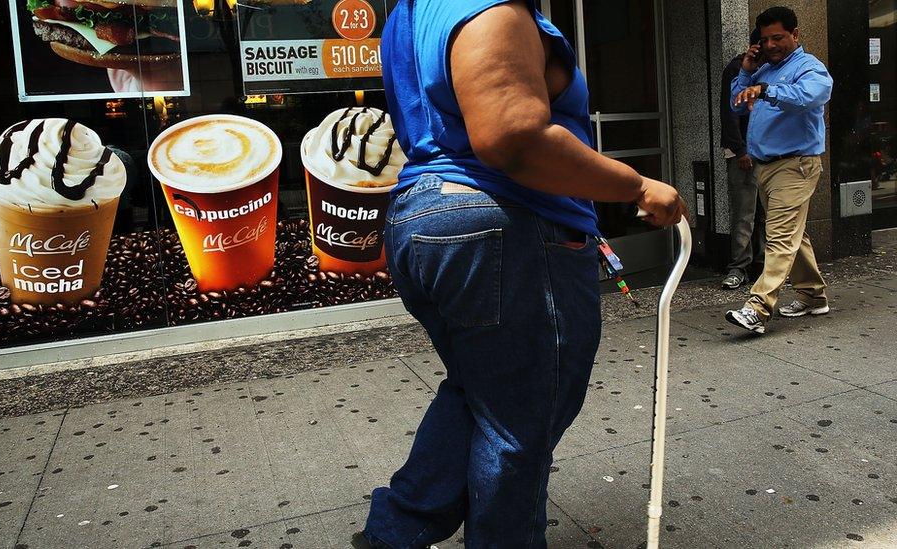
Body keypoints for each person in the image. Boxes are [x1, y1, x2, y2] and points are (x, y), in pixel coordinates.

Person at [354, 1, 686, 547]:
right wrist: (636, 186)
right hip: (505, 225)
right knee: (520, 417)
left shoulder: (414, 14)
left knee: (480, 390)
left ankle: (396, 530)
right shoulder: (487, 6)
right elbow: (513, 136)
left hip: (433, 218)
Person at [726, 6, 833, 335]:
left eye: (778, 38)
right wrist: (746, 74)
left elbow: (810, 96)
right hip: (767, 166)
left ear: (795, 35)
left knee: (779, 237)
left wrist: (766, 90)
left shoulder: (808, 67)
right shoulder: (763, 70)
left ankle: (758, 308)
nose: (770, 45)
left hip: (796, 164)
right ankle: (813, 295)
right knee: (793, 235)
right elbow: (736, 102)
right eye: (765, 39)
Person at [720, 29, 766, 290]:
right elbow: (730, 112)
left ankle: (762, 264)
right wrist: (740, 150)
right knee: (745, 212)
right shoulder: (737, 69)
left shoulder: (774, 71)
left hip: (768, 151)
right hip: (745, 151)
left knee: (767, 214)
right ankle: (738, 267)